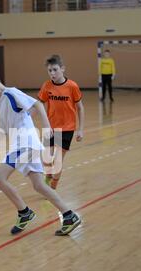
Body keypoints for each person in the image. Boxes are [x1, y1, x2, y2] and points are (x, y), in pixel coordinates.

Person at [0, 68, 81, 236]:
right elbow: (4, 129)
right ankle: (69, 216)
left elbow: (37, 104)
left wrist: (46, 127)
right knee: (39, 185)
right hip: (21, 145)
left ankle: (24, 213)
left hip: (26, 144)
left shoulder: (11, 93)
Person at [38, 54, 84, 190]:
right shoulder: (46, 86)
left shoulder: (72, 86)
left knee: (57, 160)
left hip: (67, 129)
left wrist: (80, 129)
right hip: (51, 128)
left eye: (55, 69)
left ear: (62, 69)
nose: (52, 73)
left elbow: (80, 108)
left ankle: (52, 187)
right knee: (46, 158)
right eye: (49, 70)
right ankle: (48, 176)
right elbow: (39, 105)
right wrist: (26, 115)